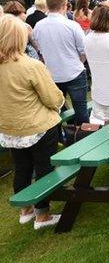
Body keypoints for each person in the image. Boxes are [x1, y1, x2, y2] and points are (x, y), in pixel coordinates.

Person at [0, 16, 64, 229]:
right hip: (38, 126)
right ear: (19, 38)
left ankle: (25, 210)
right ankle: (42, 215)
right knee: (44, 169)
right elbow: (53, 98)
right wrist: (59, 103)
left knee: (22, 168)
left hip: (9, 129)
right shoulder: (31, 66)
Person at [33, 0, 89, 133]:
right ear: (64, 6)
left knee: (54, 110)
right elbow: (83, 50)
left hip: (53, 74)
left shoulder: (38, 26)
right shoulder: (72, 25)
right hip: (74, 71)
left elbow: (39, 48)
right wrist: (79, 61)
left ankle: (60, 137)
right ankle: (83, 138)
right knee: (81, 109)